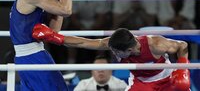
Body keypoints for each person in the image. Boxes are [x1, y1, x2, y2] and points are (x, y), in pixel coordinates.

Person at [32, 24, 190, 91]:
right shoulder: (113, 44)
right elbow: (83, 42)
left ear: (129, 49)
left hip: (168, 78)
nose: (113, 54)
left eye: (117, 52)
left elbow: (183, 46)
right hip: (142, 83)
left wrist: (182, 71)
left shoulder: (156, 44)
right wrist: (54, 37)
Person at [9, 0, 75, 91]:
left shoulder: (40, 0)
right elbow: (67, 10)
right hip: (33, 57)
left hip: (31, 56)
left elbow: (54, 31)